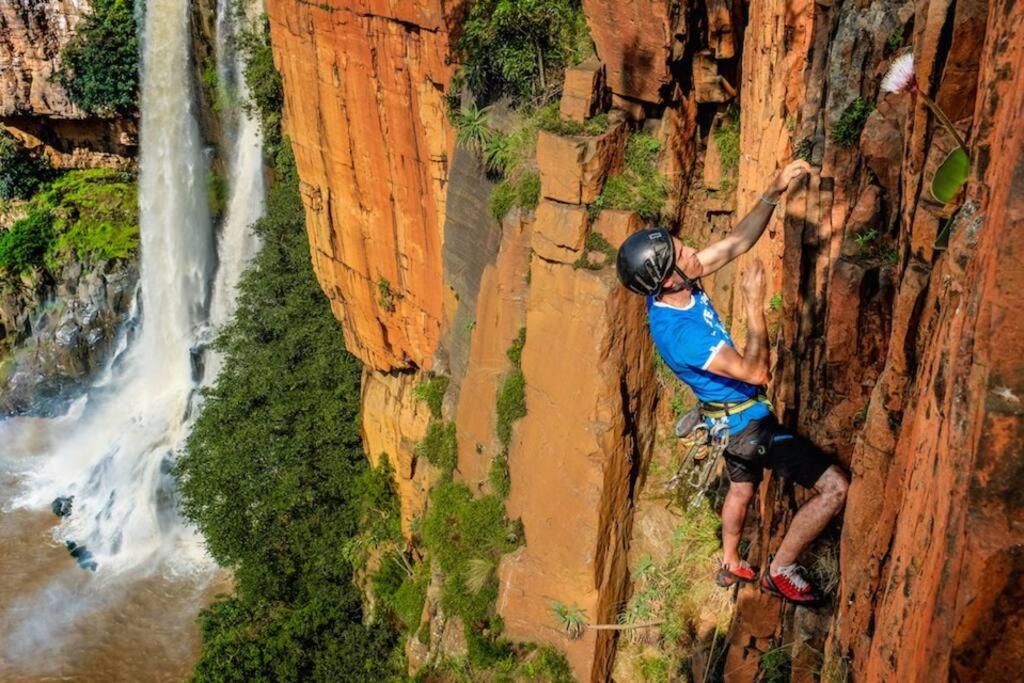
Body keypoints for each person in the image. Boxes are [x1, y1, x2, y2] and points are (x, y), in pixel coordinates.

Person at [615, 159, 848, 606]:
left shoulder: (673, 285)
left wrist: (772, 192)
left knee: (741, 489)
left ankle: (730, 560)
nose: (693, 254)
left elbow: (737, 242)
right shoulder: (683, 336)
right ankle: (781, 569)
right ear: (667, 279)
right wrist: (754, 305)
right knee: (835, 486)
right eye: (683, 255)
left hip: (726, 424)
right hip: (749, 429)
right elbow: (757, 372)